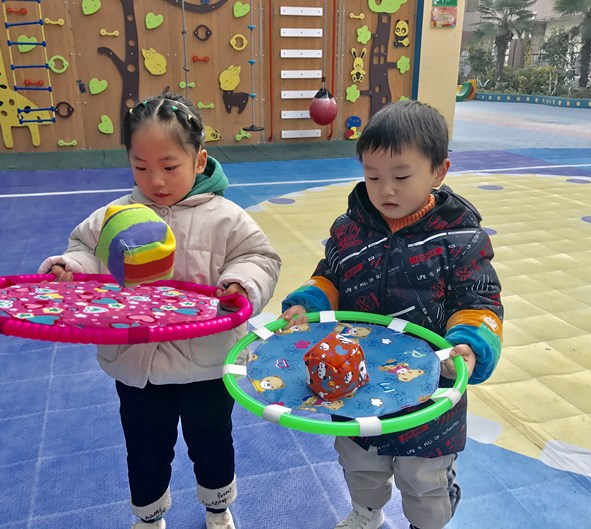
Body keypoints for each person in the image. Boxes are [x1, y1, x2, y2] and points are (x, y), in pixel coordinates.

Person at [39, 92, 281, 529]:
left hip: (207, 365)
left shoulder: (227, 218)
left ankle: (217, 507)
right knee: (145, 450)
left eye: (169, 167)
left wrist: (240, 283)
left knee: (212, 444)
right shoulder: (118, 214)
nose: (156, 181)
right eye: (141, 167)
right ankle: (149, 516)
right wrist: (71, 268)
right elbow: (86, 250)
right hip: (139, 366)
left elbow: (259, 258)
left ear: (199, 160)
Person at [281, 100, 503, 529]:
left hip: (428, 387)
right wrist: (308, 304)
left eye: (401, 177)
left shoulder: (460, 238)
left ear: (439, 171)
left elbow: (479, 300)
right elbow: (330, 275)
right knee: (359, 462)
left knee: (425, 481)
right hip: (356, 379)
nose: (385, 190)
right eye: (372, 176)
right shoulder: (349, 229)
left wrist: (470, 345)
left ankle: (426, 524)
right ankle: (367, 511)